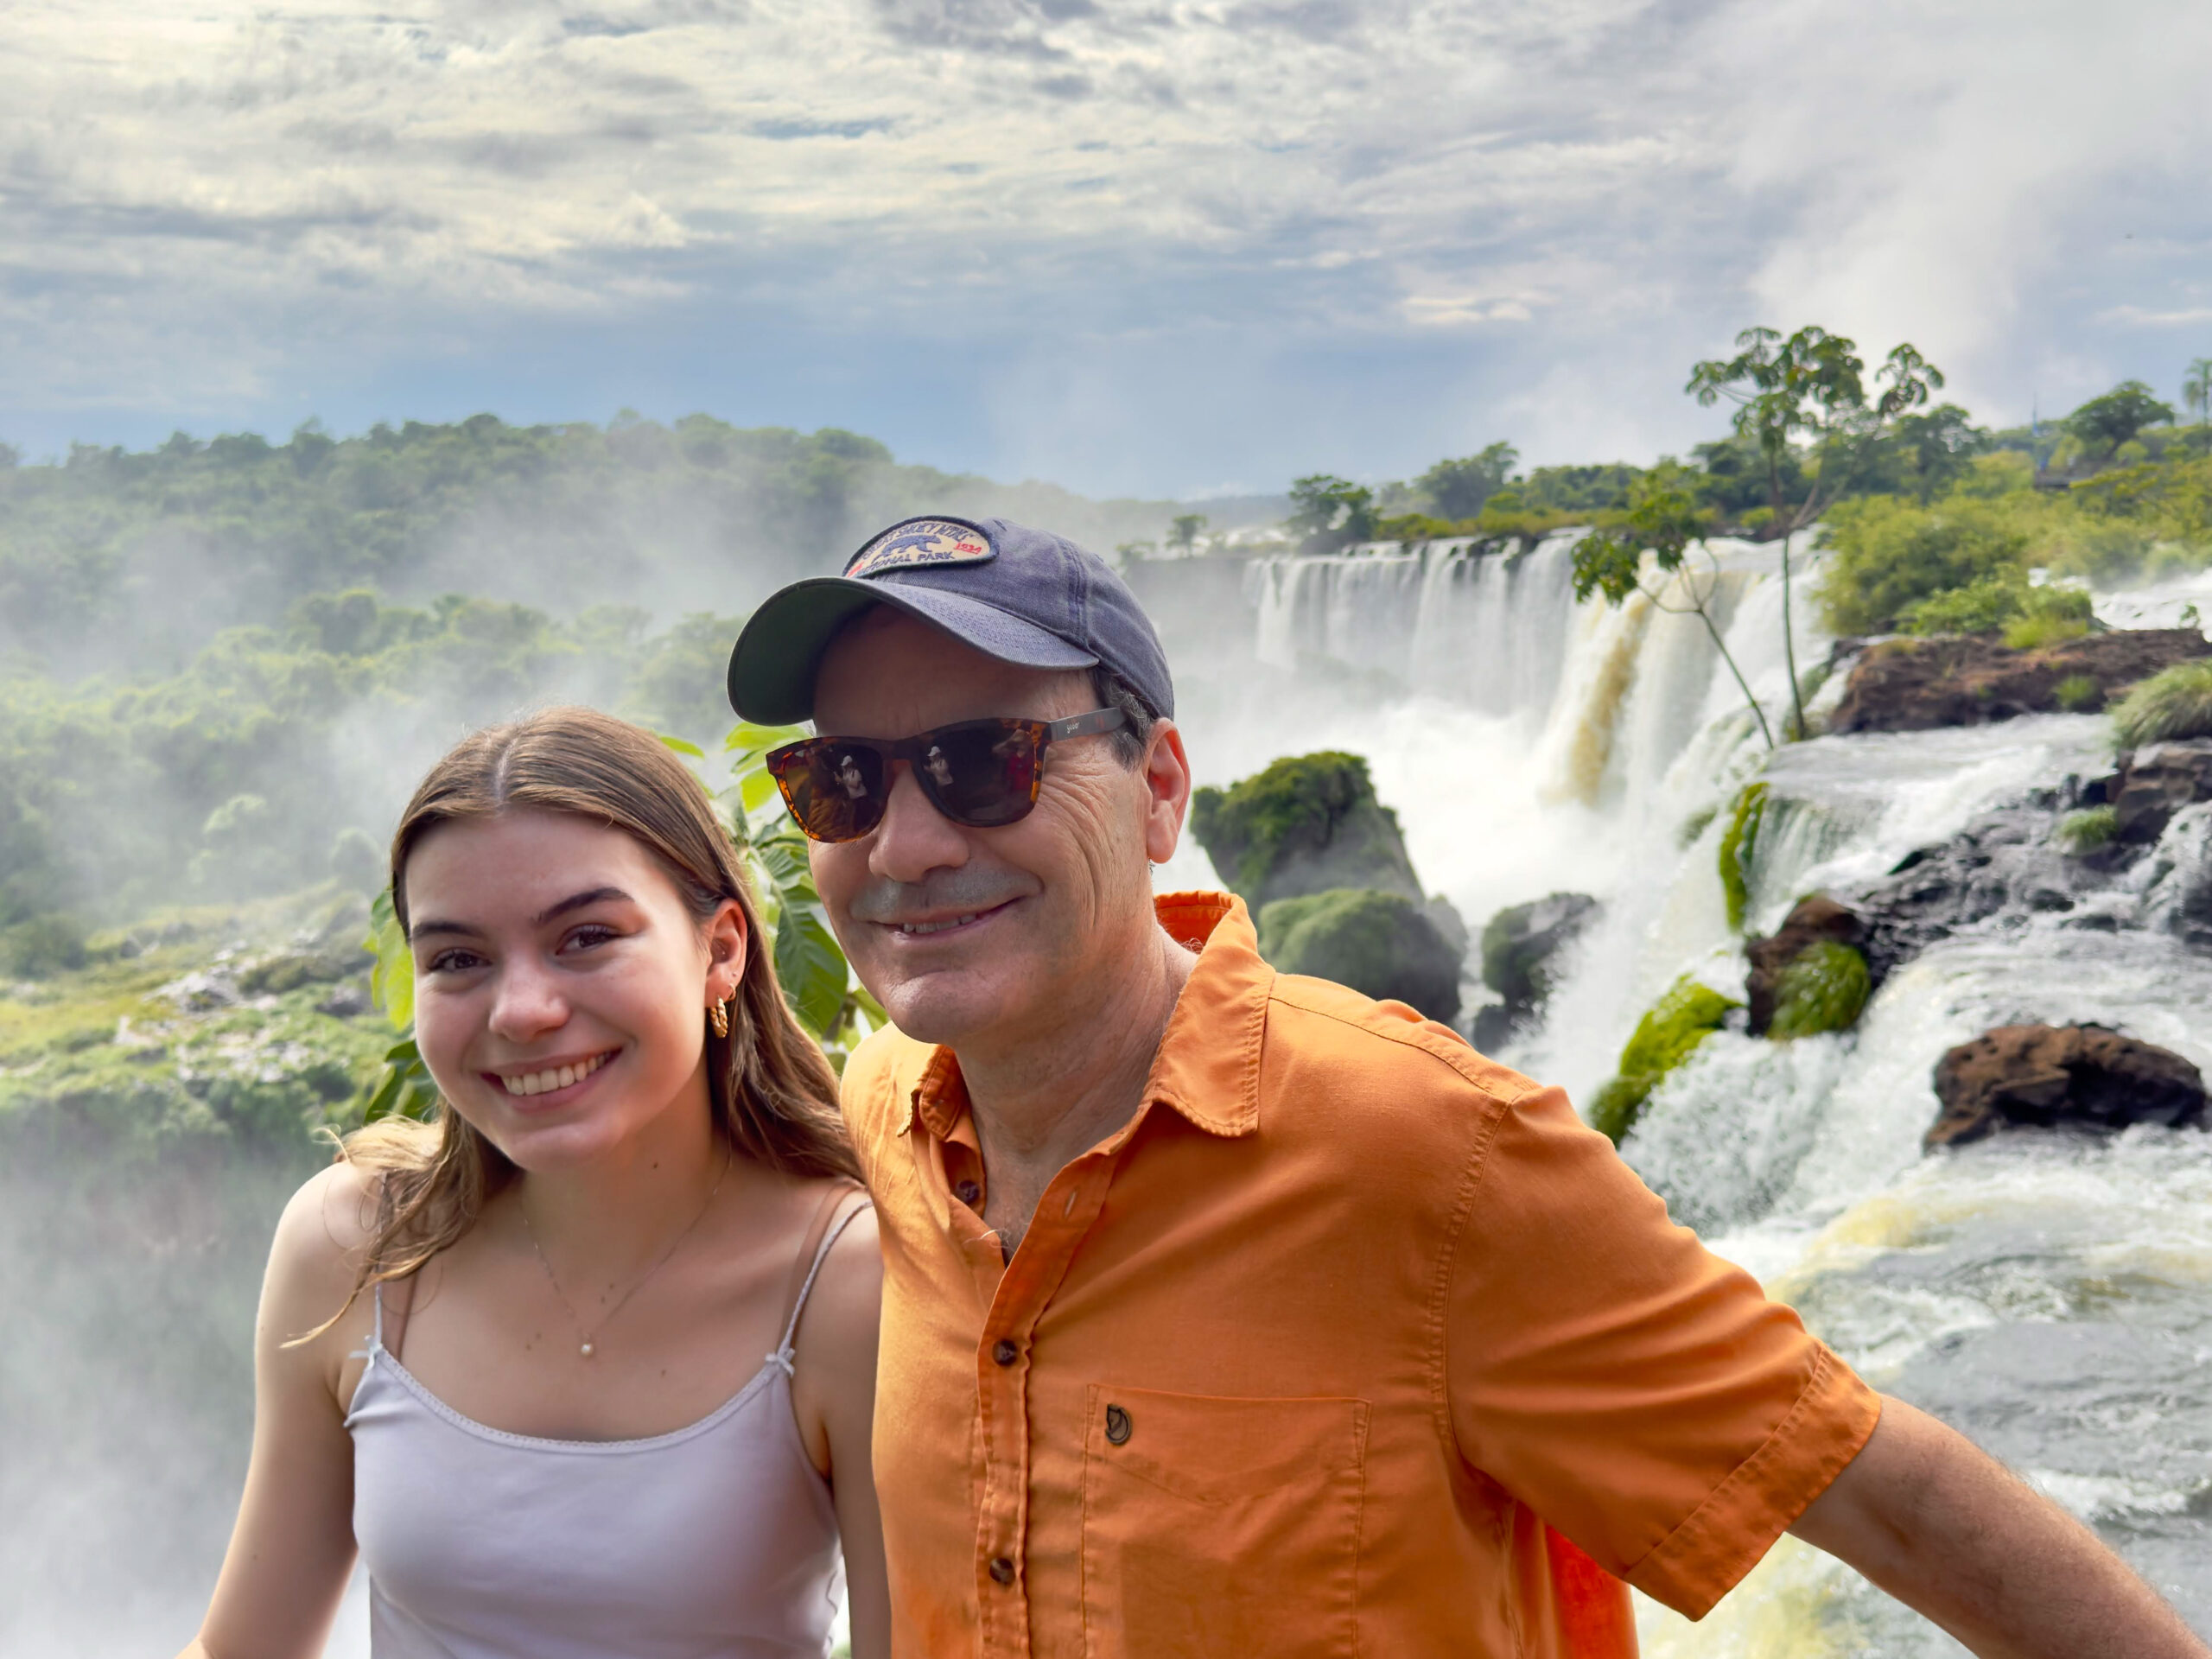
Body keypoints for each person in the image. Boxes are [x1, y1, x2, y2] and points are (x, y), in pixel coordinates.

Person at [724, 512, 2211, 1659]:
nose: (906, 845)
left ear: (1161, 787)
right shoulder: (884, 1111)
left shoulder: (1430, 1153)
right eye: (841, 781)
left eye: (985, 763)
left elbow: (1890, 1495)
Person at [183, 707, 889, 1659]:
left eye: (586, 937)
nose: (521, 1011)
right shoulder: (356, 1247)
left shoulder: (846, 1281)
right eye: (458, 960)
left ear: (721, 949)